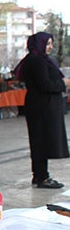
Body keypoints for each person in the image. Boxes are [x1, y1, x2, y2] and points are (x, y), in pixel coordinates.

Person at [15, 32, 70, 189]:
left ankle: (41, 175)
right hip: (41, 107)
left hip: (43, 106)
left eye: (51, 44)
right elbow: (45, 84)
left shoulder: (38, 59)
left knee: (42, 140)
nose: (50, 47)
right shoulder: (36, 61)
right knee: (40, 141)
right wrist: (63, 83)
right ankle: (41, 177)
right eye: (47, 44)